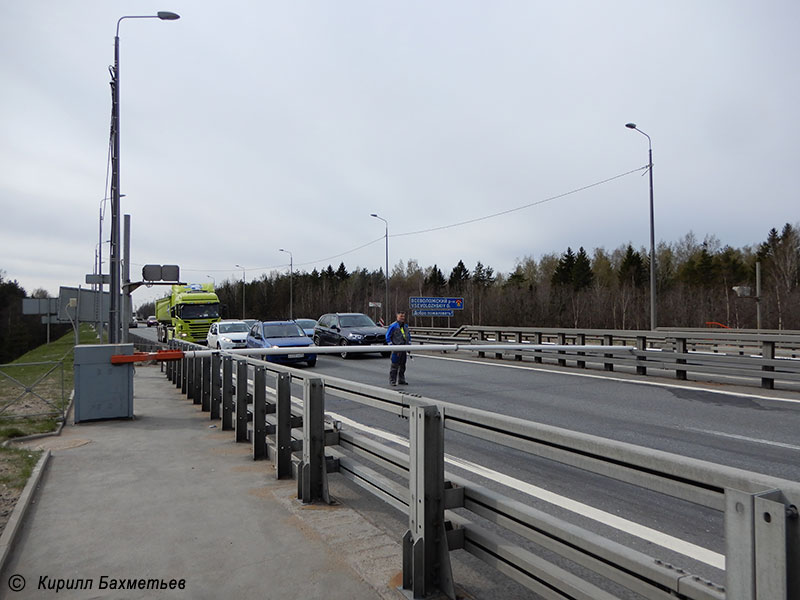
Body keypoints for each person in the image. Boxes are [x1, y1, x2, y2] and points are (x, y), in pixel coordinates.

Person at [385, 311, 411, 386]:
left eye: (403, 316)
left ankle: (401, 380)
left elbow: (408, 336)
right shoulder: (393, 326)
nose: (402, 318)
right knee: (394, 365)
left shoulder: (405, 326)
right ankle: (392, 380)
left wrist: (409, 346)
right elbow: (387, 336)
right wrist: (391, 346)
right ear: (397, 317)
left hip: (404, 348)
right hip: (396, 349)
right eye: (401, 316)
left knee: (403, 365)